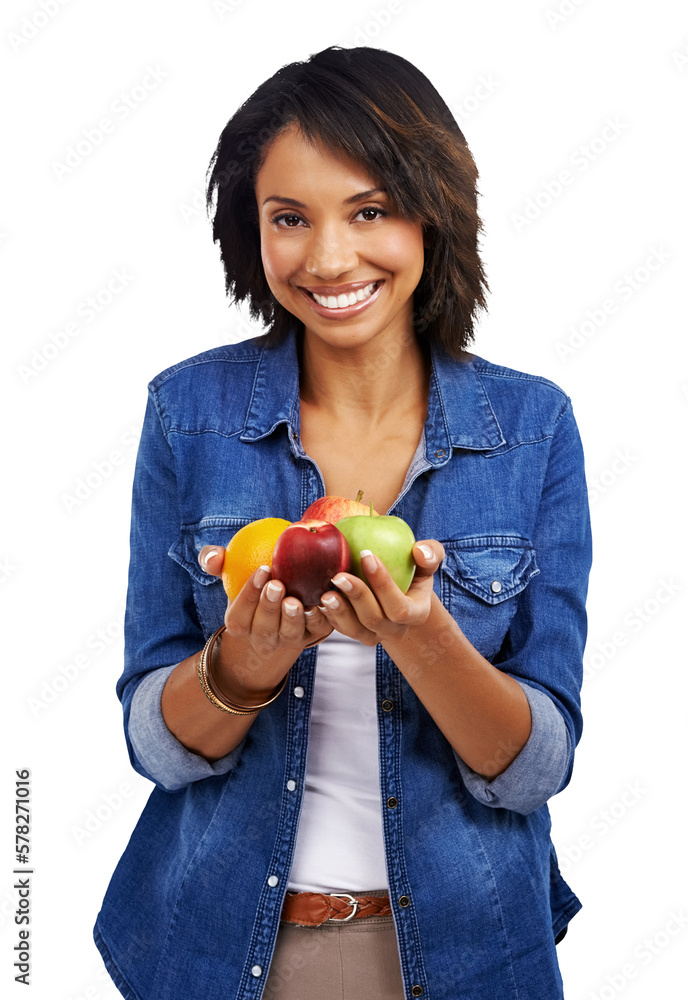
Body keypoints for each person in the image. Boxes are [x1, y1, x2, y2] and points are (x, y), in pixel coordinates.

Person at [93, 45, 592, 1000]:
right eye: (290, 219)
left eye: (369, 211)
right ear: (254, 232)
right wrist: (244, 666)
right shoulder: (188, 413)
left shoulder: (533, 429)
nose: (328, 259)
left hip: (468, 955)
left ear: (432, 213)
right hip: (213, 952)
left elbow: (535, 769)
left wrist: (426, 639)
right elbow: (150, 742)